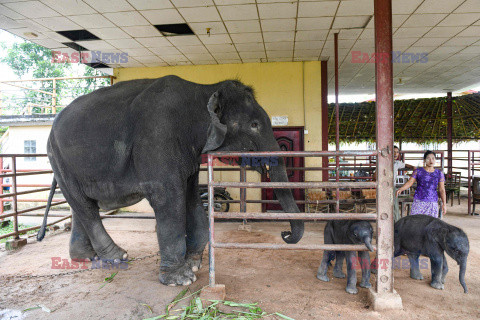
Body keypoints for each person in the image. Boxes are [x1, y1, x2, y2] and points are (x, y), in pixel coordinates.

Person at [396, 150, 447, 218]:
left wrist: (444, 204)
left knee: (430, 225)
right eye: (428, 158)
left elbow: (442, 189)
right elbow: (410, 182)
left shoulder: (439, 173)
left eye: (433, 158)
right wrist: (401, 189)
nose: (431, 160)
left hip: (432, 203)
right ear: (424, 160)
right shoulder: (418, 171)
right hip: (419, 201)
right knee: (416, 223)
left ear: (435, 160)